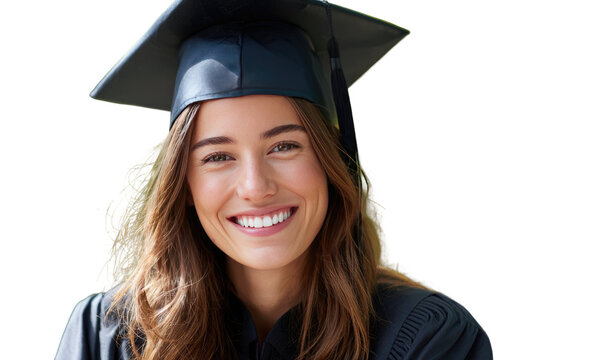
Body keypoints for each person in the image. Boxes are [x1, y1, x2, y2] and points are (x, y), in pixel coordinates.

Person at [55, 0, 492, 359]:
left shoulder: (426, 339)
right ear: (183, 185)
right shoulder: (108, 338)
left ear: (330, 160)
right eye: (218, 156)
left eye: (284, 146)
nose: (255, 186)